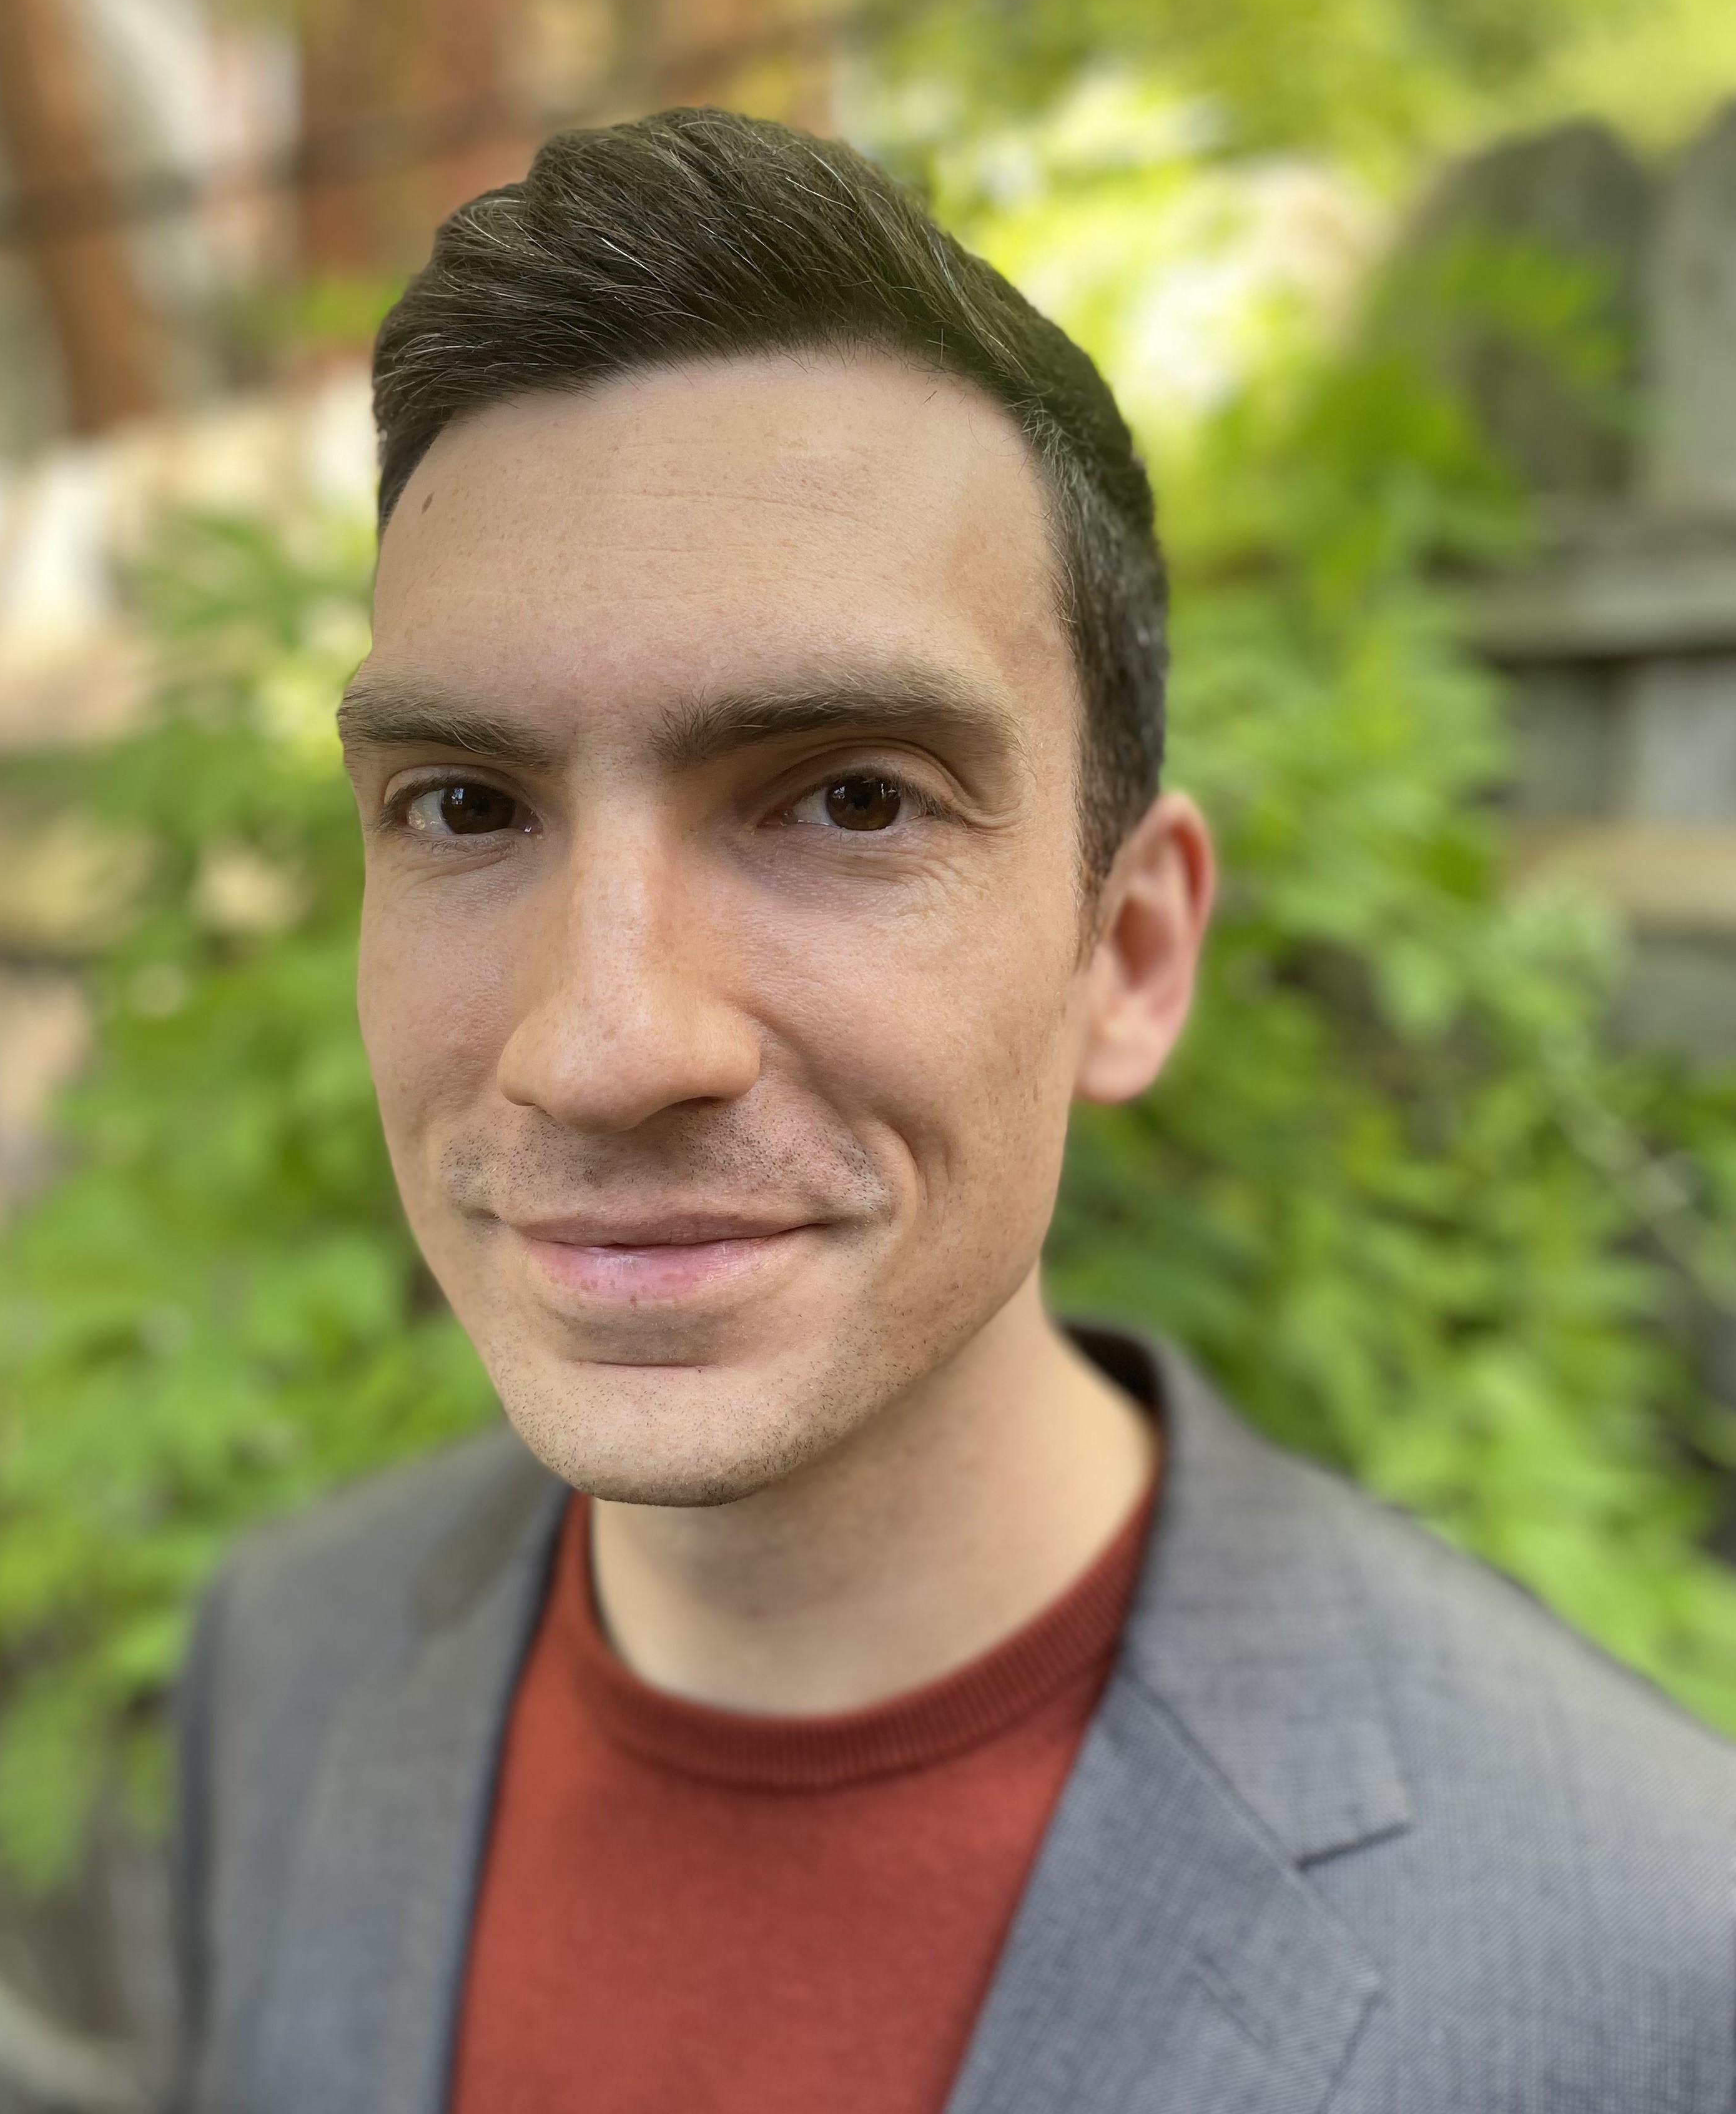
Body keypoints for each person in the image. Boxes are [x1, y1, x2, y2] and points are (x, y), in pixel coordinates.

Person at [170, 109, 1735, 2114]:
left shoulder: (1646, 1968)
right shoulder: (282, 1665)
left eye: (848, 799)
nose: (607, 1042)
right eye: (467, 806)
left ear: (1135, 952)